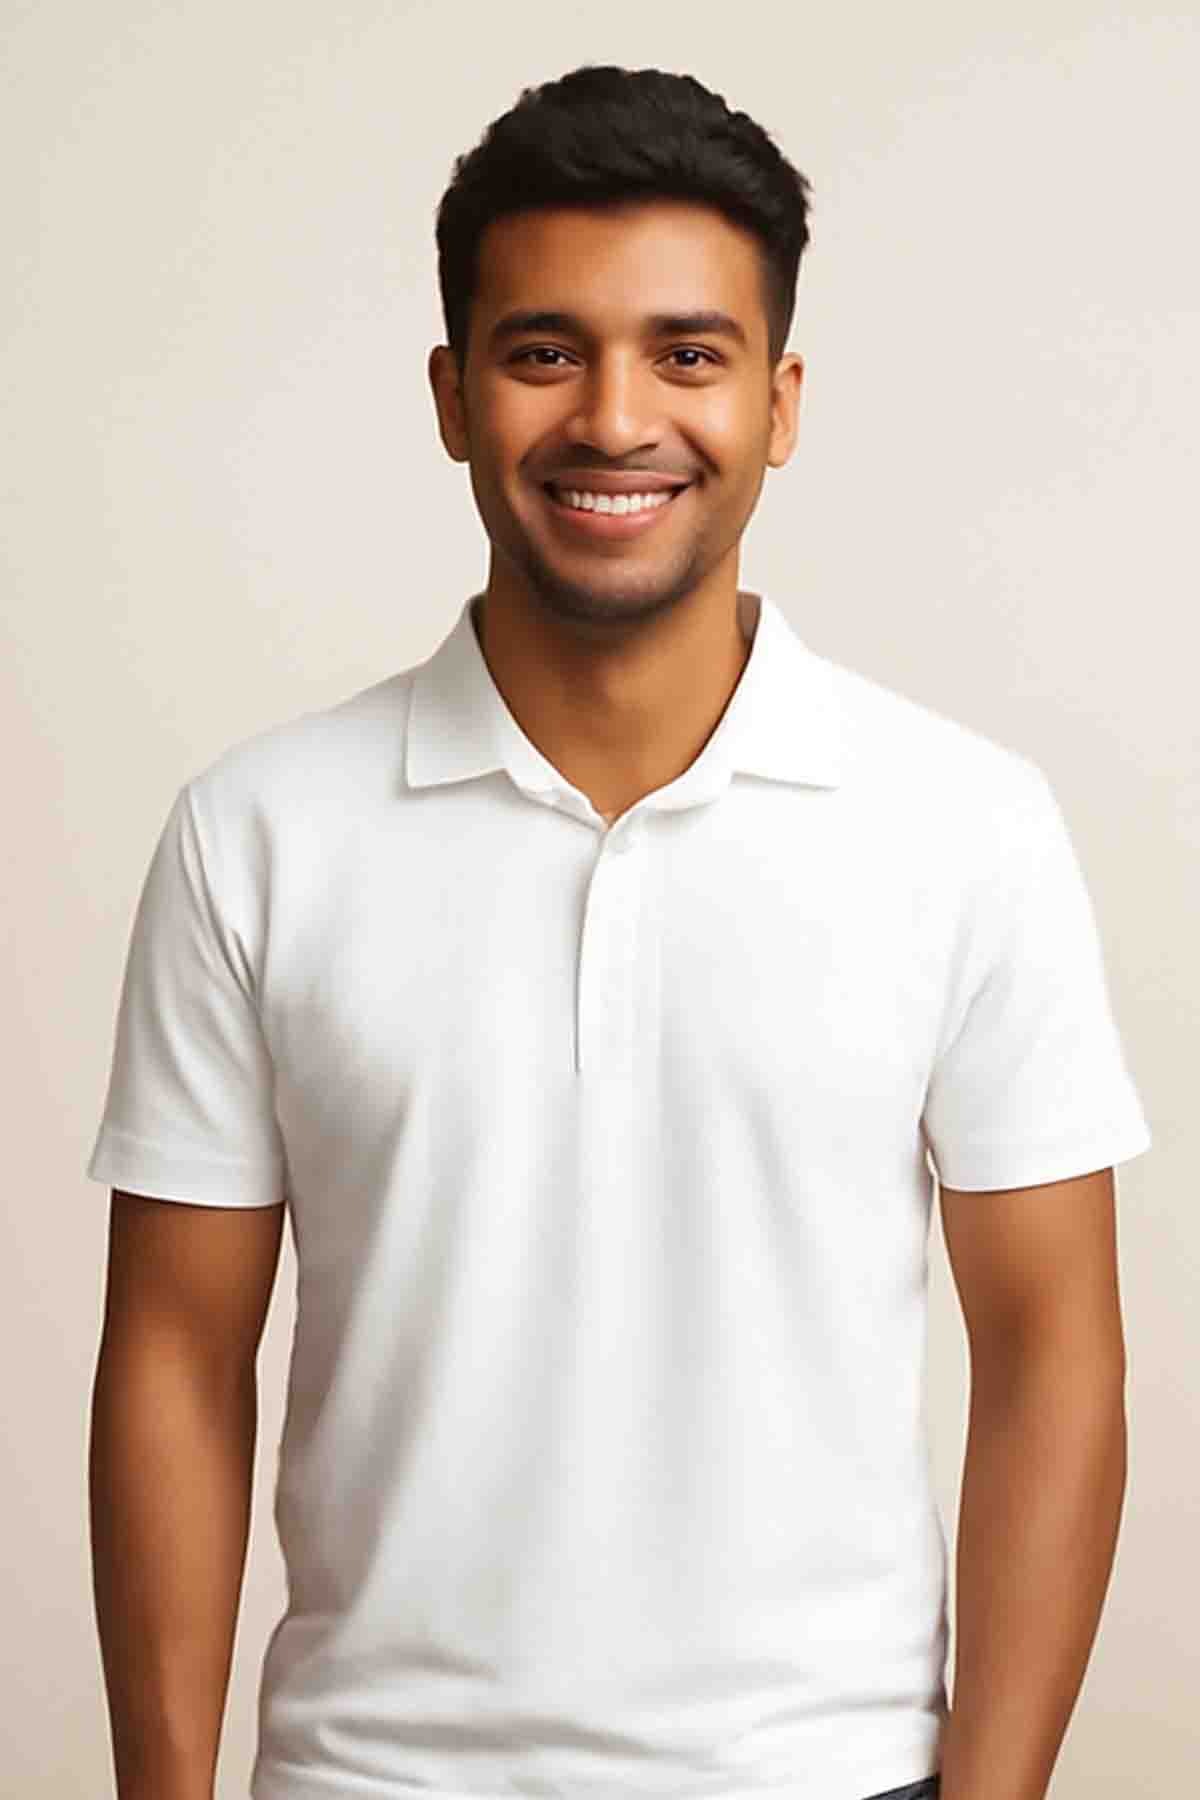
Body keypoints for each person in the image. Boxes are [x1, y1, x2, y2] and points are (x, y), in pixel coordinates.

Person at [85, 64, 1151, 1800]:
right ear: (453, 395)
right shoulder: (257, 833)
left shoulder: (966, 825)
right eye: (543, 351)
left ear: (780, 402)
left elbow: (1052, 1358)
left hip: (831, 1772)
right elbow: (174, 1362)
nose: (614, 418)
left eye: (688, 353)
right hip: (372, 1777)